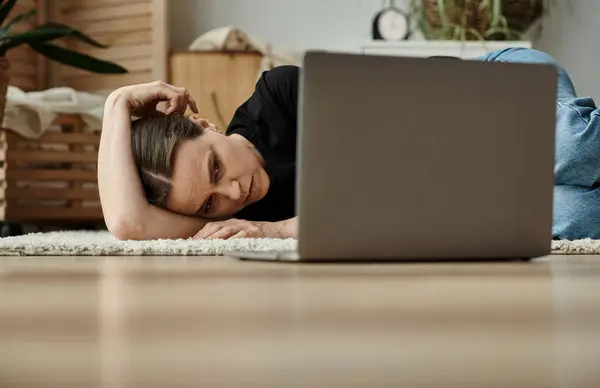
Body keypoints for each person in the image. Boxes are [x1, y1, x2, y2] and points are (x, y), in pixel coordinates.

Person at [98, 48, 600, 241]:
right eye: (208, 204)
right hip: (478, 185)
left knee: (570, 147)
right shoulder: (236, 219)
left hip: (495, 94)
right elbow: (127, 222)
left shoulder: (280, 94)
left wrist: (119, 99)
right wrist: (115, 110)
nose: (232, 192)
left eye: (214, 168)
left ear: (205, 125)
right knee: (572, 215)